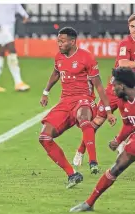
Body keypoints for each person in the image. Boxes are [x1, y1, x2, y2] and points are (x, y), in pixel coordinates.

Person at [39, 27, 117, 188]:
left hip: (84, 99)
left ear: (73, 41)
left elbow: (99, 86)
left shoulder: (86, 57)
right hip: (65, 102)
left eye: (62, 41)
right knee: (44, 137)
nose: (59, 44)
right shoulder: (59, 57)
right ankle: (72, 174)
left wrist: (108, 111)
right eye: (58, 41)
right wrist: (45, 92)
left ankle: (93, 161)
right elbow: (55, 73)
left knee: (83, 117)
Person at [73, 13, 135, 169]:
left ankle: (122, 143)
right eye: (132, 26)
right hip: (116, 89)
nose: (134, 30)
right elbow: (122, 63)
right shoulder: (125, 43)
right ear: (128, 27)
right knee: (98, 120)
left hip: (132, 90)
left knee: (130, 120)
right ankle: (80, 151)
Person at [70, 67, 135, 212]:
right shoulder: (122, 102)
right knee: (115, 168)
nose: (111, 89)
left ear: (122, 85)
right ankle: (89, 203)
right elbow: (128, 125)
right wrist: (118, 140)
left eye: (114, 85)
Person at [0, 4, 30, 92]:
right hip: (0, 25)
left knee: (0, 51)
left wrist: (24, 14)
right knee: (11, 48)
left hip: (10, 24)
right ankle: (18, 82)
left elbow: (16, 4)